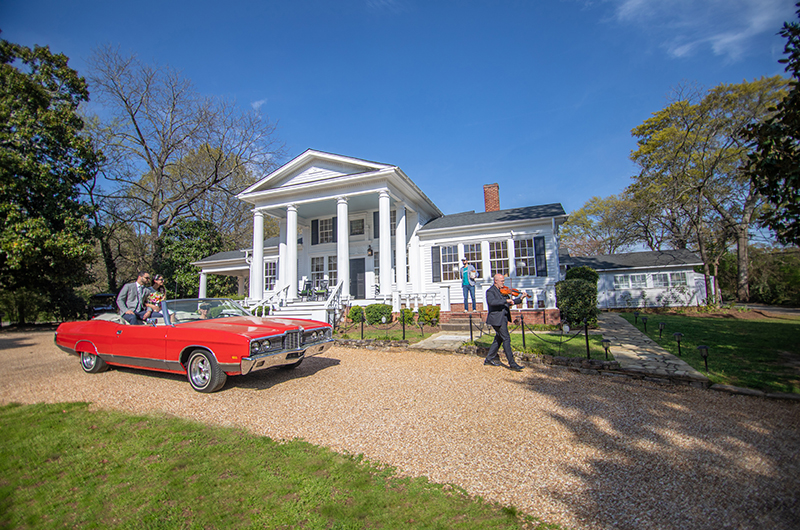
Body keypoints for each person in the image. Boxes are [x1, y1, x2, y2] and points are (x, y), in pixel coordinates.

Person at [484, 274, 528, 371]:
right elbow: (492, 302)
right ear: (496, 281)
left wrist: (521, 298)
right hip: (496, 319)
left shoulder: (503, 292)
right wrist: (505, 300)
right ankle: (512, 363)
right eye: (501, 281)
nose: (503, 283)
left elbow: (511, 301)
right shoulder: (490, 291)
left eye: (503, 281)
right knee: (506, 338)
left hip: (503, 318)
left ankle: (489, 359)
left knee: (499, 339)